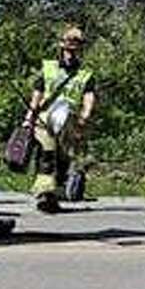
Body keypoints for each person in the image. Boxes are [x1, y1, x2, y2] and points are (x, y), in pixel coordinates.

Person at [21, 26, 96, 213]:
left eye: (75, 47)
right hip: (45, 118)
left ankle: (55, 192)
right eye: (69, 46)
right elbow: (37, 95)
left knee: (63, 158)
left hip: (69, 122)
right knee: (46, 153)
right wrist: (28, 118)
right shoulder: (49, 68)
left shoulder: (85, 74)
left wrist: (84, 119)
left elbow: (88, 99)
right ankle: (45, 193)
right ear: (62, 46)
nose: (71, 51)